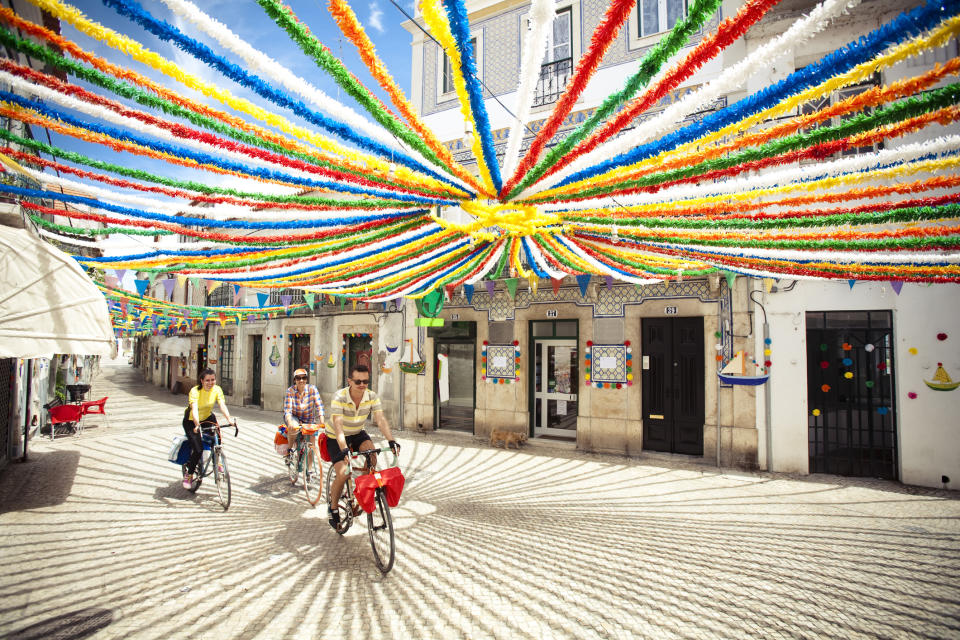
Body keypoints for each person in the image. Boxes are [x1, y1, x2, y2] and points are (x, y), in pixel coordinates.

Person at [326, 364, 399, 529]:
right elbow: (338, 426)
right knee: (344, 472)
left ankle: (361, 491)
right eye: (358, 381)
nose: (362, 384)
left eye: (365, 381)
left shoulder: (372, 396)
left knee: (372, 456)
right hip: (336, 436)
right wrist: (344, 448)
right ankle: (333, 508)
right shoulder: (339, 396)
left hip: (358, 432)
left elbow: (380, 420)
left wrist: (391, 441)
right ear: (349, 381)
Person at [182, 368, 235, 489]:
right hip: (191, 421)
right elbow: (194, 409)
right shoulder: (195, 391)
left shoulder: (217, 390)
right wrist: (196, 424)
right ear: (201, 380)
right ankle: (189, 474)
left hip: (207, 417)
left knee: (217, 438)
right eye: (207, 380)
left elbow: (222, 405)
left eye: (213, 380)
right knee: (198, 449)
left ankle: (218, 461)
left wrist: (229, 419)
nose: (210, 383)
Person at [282, 368, 324, 458]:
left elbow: (319, 406)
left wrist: (322, 421)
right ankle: (289, 450)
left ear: (306, 379)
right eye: (298, 378)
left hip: (308, 419)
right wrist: (290, 423)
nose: (301, 380)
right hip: (294, 416)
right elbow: (288, 410)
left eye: (304, 378)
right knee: (294, 428)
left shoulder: (313, 389)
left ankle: (309, 471)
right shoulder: (290, 391)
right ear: (294, 380)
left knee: (311, 445)